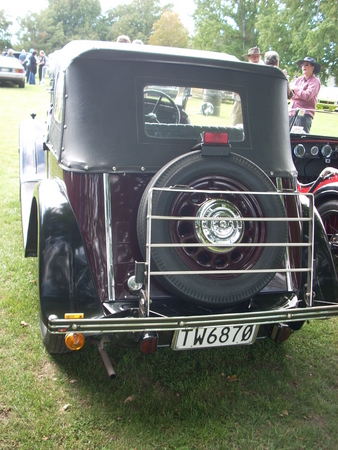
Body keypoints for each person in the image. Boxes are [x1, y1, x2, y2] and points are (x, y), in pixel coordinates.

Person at [289, 56, 321, 133]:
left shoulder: (315, 81)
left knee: (302, 140)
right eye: (303, 65)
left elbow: (307, 96)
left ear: (312, 67)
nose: (304, 67)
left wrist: (296, 90)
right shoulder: (299, 80)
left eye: (306, 65)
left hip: (304, 115)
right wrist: (298, 93)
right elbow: (291, 95)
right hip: (292, 113)